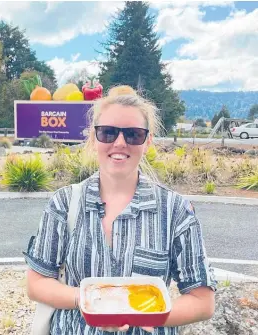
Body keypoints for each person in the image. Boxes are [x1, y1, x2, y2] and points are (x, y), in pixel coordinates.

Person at [23, 85, 217, 335]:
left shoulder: (175, 211)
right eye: (108, 132)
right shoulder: (64, 203)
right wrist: (86, 301)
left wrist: (147, 317)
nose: (120, 143)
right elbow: (36, 283)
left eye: (133, 134)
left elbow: (203, 300)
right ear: (93, 139)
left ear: (147, 141)